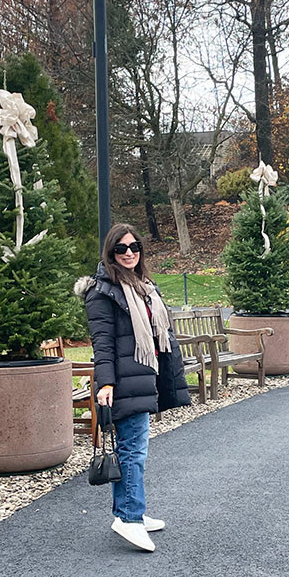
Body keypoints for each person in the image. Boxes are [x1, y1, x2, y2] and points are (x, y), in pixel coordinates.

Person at [80, 223, 191, 552]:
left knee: (132, 449)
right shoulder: (102, 291)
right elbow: (103, 342)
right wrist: (106, 382)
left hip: (144, 376)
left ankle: (130, 513)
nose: (129, 253)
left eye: (134, 247)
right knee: (133, 451)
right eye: (121, 249)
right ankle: (129, 518)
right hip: (124, 379)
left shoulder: (144, 286)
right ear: (110, 253)